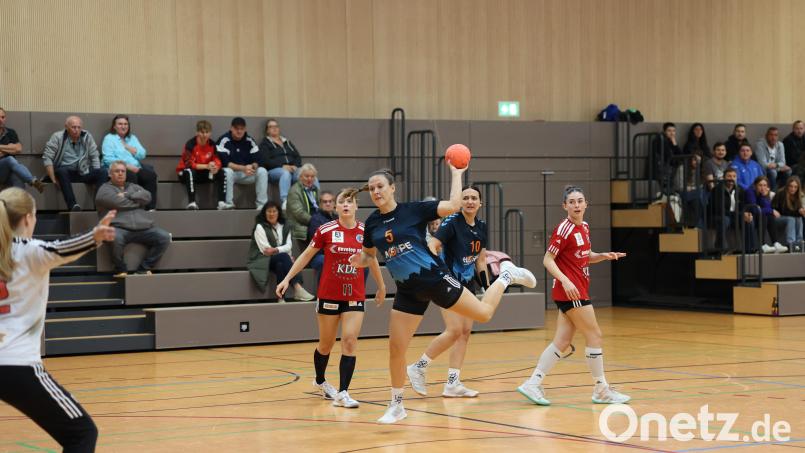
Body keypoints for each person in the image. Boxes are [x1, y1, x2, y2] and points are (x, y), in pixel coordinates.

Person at [347, 165, 537, 424]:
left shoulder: (413, 210)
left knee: (484, 314)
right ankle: (396, 405)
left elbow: (452, 205)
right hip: (407, 290)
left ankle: (506, 276)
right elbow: (369, 255)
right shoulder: (372, 223)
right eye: (372, 188)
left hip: (435, 279)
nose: (376, 191)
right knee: (396, 348)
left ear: (392, 188)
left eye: (380, 186)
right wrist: (356, 260)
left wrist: (457, 173)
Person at [0, 187, 116, 453]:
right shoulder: (30, 251)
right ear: (28, 218)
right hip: (17, 364)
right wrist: (94, 237)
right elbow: (60, 249)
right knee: (82, 433)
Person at [517, 186, 630, 406]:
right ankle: (601, 389)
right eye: (572, 202)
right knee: (594, 335)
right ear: (565, 206)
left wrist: (603, 256)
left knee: (562, 341)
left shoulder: (585, 227)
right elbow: (547, 260)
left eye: (580, 201)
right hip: (571, 291)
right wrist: (566, 280)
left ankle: (533, 383)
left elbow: (584, 256)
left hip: (575, 289)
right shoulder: (564, 229)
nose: (576, 205)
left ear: (586, 204)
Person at [276, 189, 386, 408]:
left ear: (356, 206)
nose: (345, 205)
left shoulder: (365, 231)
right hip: (329, 294)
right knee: (325, 345)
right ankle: (320, 381)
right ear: (336, 207)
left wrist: (381, 286)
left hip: (354, 295)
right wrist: (287, 278)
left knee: (349, 341)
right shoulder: (326, 230)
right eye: (341, 202)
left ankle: (343, 392)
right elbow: (306, 255)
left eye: (350, 202)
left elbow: (371, 259)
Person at [407, 185, 489, 398]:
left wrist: (488, 286)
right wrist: (437, 270)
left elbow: (480, 260)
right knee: (453, 330)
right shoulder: (452, 222)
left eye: (474, 198)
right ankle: (418, 366)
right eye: (466, 198)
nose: (470, 201)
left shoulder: (481, 227)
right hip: (448, 282)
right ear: (460, 202)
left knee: (464, 333)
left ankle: (453, 383)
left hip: (468, 284)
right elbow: (433, 244)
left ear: (480, 203)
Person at [95, 161, 171, 277]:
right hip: (119, 228)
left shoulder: (133, 186)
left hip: (143, 227)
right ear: (110, 174)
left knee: (164, 237)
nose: (120, 174)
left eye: (123, 171)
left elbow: (147, 196)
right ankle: (120, 268)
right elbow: (118, 203)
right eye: (117, 171)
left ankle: (144, 268)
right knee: (114, 236)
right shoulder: (104, 190)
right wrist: (138, 202)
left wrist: (127, 195)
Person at [247, 201, 315, 302]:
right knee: (283, 257)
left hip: (278, 259)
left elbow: (289, 245)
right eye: (269, 211)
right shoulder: (260, 227)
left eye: (274, 211)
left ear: (278, 212)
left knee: (280, 264)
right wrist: (284, 254)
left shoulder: (285, 225)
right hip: (262, 260)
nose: (271, 214)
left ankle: (280, 298)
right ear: (264, 213)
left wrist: (278, 251)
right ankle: (298, 288)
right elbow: (265, 250)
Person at [42, 115, 107, 211]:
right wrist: (53, 179)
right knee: (61, 170)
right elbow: (47, 158)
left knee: (102, 172)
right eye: (73, 127)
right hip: (65, 173)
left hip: (82, 171)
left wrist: (95, 177)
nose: (76, 130)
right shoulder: (57, 137)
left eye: (79, 127)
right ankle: (73, 205)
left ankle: (99, 205)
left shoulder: (87, 136)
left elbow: (94, 156)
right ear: (66, 127)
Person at [102, 115, 158, 211]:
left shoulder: (132, 138)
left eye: (125, 124)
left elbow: (142, 154)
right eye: (120, 124)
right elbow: (108, 159)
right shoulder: (109, 138)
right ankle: (133, 207)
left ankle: (150, 208)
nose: (123, 126)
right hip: (119, 169)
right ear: (114, 127)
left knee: (150, 175)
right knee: (131, 176)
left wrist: (128, 147)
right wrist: (127, 166)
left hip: (136, 167)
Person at [259, 118, 318, 210]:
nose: (274, 128)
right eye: (271, 127)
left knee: (309, 174)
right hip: (274, 171)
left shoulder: (287, 142)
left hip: (292, 169)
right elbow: (266, 160)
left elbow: (297, 156)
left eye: (276, 126)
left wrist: (295, 166)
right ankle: (285, 201)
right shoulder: (265, 143)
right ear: (267, 130)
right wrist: (282, 166)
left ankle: (316, 200)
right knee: (285, 173)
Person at [217, 117, 267, 210]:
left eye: (242, 129)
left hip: (247, 173)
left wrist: (252, 167)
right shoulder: (224, 140)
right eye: (236, 129)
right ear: (231, 128)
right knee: (226, 171)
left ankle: (262, 204)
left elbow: (259, 160)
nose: (239, 131)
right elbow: (225, 163)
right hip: (232, 174)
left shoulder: (249, 141)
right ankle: (229, 203)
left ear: (245, 129)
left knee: (262, 171)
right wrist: (243, 168)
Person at [175, 120, 226, 210]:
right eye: (202, 132)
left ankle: (221, 202)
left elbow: (217, 159)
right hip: (185, 173)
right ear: (197, 132)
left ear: (210, 133)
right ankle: (192, 203)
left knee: (222, 172)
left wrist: (215, 167)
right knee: (190, 172)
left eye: (207, 132)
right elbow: (189, 164)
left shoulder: (212, 144)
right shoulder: (190, 144)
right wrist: (206, 166)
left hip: (202, 173)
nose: (205, 135)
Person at [0, 108, 44, 192]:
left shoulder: (10, 132)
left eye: (3, 117)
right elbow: (14, 149)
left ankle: (34, 184)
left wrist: (2, 149)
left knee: (19, 180)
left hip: (9, 171)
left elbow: (18, 149)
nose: (1, 120)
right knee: (10, 159)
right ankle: (32, 180)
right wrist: (9, 148)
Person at [709, 168, 750, 253]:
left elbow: (743, 207)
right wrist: (739, 215)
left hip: (734, 216)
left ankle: (749, 248)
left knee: (748, 220)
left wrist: (746, 214)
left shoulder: (740, 190)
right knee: (725, 219)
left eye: (734, 176)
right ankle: (720, 249)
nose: (731, 178)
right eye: (729, 176)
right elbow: (719, 210)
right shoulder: (717, 190)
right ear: (724, 178)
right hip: (717, 216)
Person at [745, 176, 787, 254]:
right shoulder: (750, 192)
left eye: (765, 185)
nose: (762, 187)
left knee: (769, 216)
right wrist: (771, 210)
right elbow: (755, 209)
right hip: (749, 216)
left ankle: (775, 243)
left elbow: (766, 208)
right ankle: (762, 244)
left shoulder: (763, 193)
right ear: (755, 185)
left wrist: (764, 196)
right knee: (764, 215)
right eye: (760, 185)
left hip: (759, 216)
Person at [286, 163, 320, 254]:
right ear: (300, 177)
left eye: (312, 176)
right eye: (307, 176)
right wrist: (316, 222)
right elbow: (299, 213)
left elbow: (320, 207)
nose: (310, 179)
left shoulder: (315, 189)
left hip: (314, 224)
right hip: (301, 226)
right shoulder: (294, 191)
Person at [307, 190, 337, 281]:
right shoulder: (315, 219)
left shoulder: (338, 218)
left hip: (337, 252)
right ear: (320, 204)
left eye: (330, 201)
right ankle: (323, 294)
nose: (328, 204)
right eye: (325, 202)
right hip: (318, 255)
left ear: (334, 203)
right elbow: (318, 244)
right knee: (325, 260)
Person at [770, 176, 804, 252]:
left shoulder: (798, 196)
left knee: (799, 219)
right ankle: (791, 243)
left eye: (795, 187)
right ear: (787, 186)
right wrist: (799, 211)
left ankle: (799, 242)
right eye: (791, 186)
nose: (793, 189)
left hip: (787, 218)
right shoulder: (781, 193)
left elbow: (796, 213)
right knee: (791, 219)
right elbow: (784, 211)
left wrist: (801, 212)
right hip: (776, 218)